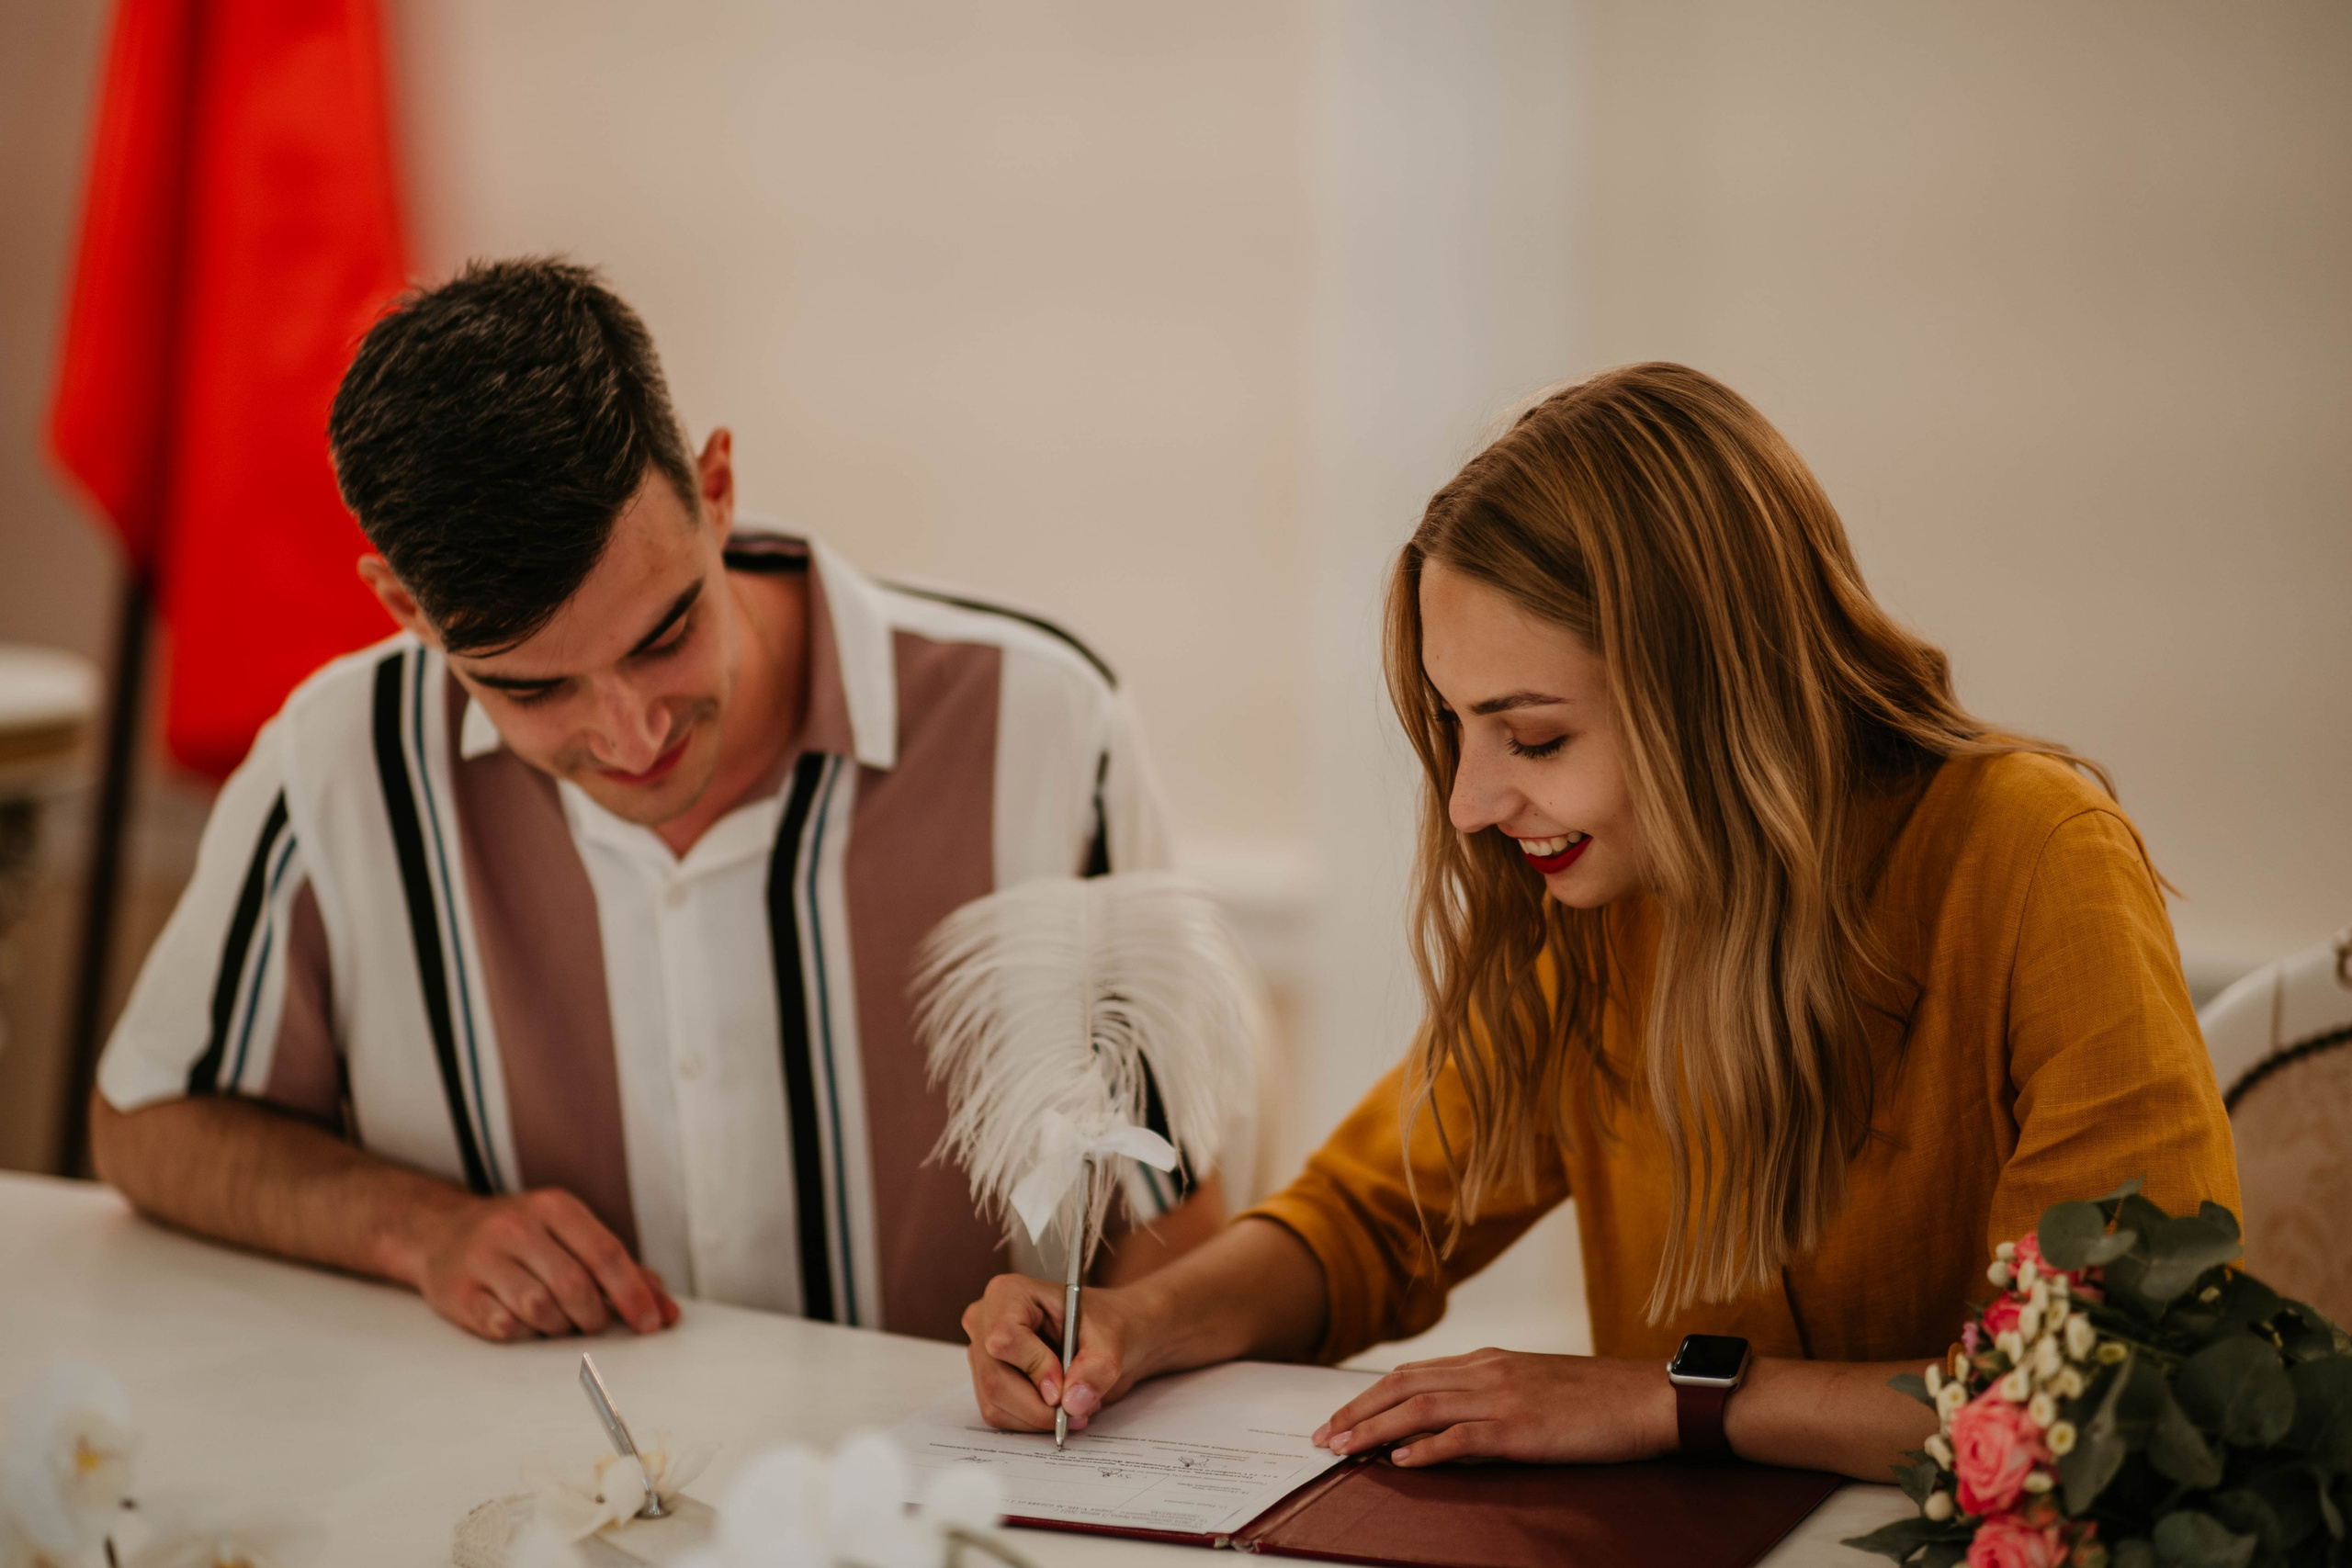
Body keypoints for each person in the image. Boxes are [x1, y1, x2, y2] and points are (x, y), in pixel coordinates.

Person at [960, 363, 2239, 1483]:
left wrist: (1672, 1397)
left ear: (1716, 693)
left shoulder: (2033, 855)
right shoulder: (1586, 902)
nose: (1469, 802)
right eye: (1458, 729)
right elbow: (1370, 1222)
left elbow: (2113, 1390)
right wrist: (1138, 1321)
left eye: (1535, 735)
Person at [91, 258, 1223, 1345]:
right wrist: (418, 1231)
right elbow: (146, 1122)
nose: (630, 735)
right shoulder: (338, 761)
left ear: (717, 488)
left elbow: (1180, 1200)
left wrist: (1106, 1358)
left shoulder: (1046, 727)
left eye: (665, 633)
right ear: (404, 608)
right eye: (531, 688)